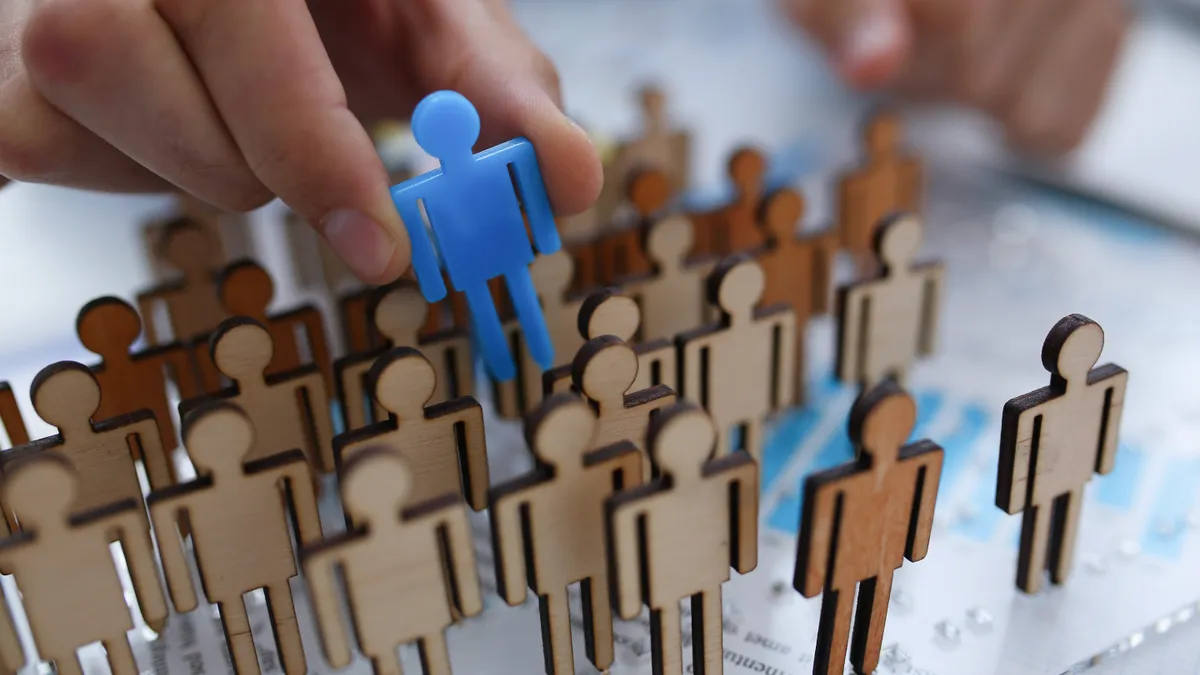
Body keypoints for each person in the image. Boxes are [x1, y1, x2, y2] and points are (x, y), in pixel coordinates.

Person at [0, 0, 1128, 284]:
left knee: (519, 316)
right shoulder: (470, 166)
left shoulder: (479, 162)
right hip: (101, 221)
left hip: (790, 102)